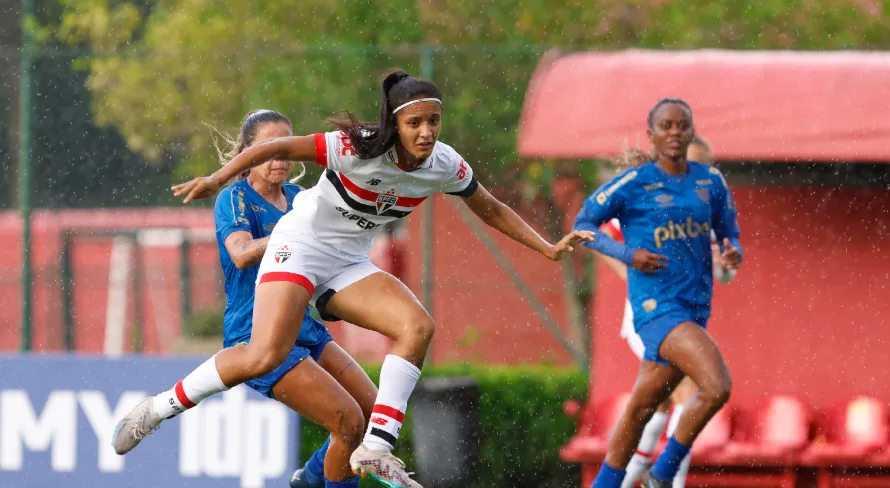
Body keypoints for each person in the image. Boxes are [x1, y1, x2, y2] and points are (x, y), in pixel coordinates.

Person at [113, 69, 594, 488]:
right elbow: (278, 146)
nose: (426, 132)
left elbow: (490, 206)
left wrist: (546, 247)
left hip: (346, 262)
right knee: (265, 355)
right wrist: (218, 179)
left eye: (433, 121)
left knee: (417, 328)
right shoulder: (357, 147)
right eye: (414, 123)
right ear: (394, 124)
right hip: (300, 249)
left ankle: (376, 447)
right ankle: (158, 408)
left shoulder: (445, 164)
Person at [573, 98, 743, 488]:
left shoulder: (708, 187)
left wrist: (732, 256)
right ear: (652, 136)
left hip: (692, 309)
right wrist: (630, 257)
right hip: (655, 311)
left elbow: (728, 245)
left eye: (682, 128)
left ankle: (608, 483)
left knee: (643, 407)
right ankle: (664, 475)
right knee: (713, 386)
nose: (675, 136)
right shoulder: (637, 188)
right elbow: (589, 228)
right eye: (665, 128)